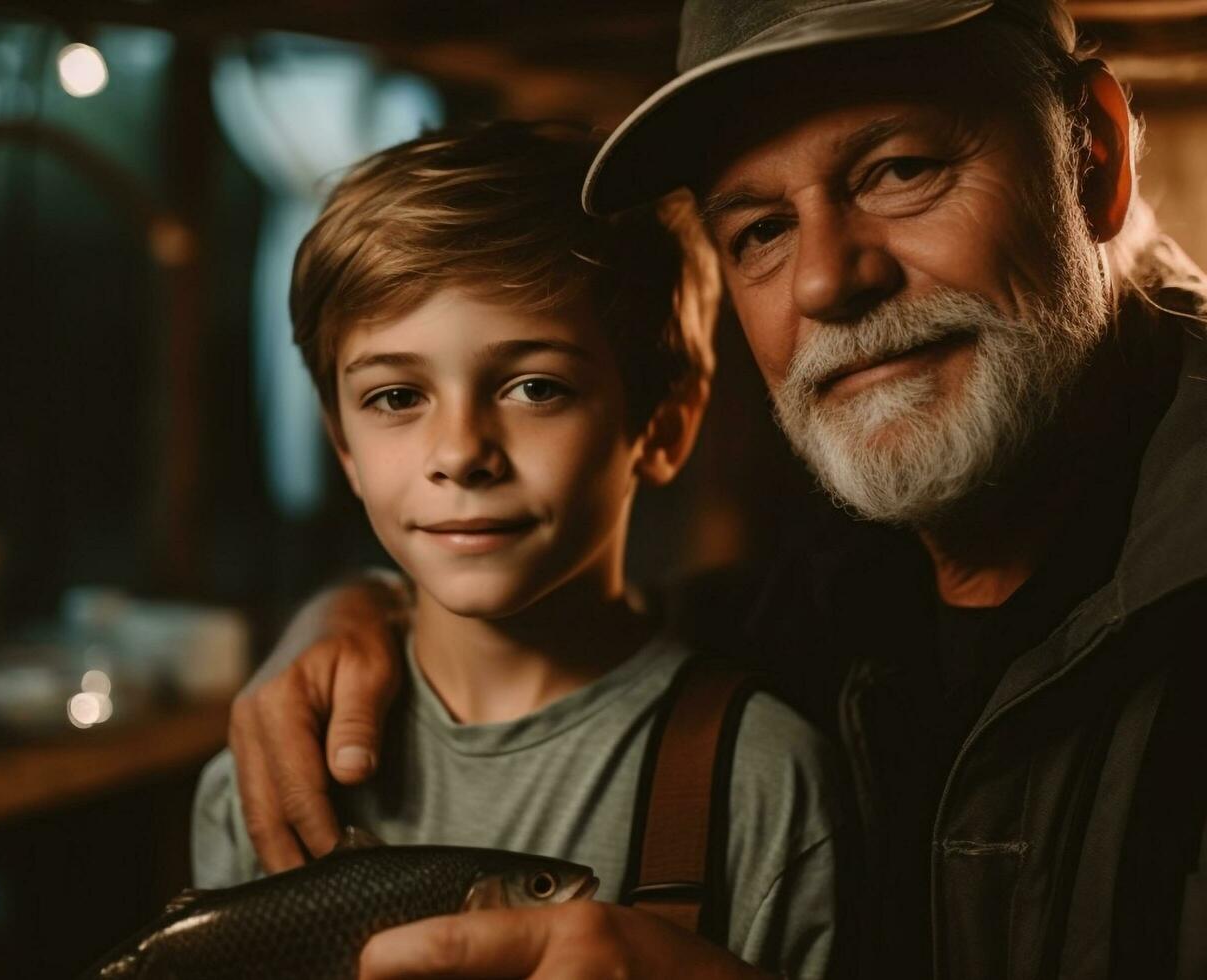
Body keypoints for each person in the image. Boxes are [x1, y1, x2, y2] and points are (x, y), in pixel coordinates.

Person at [228, 2, 1207, 978]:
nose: (826, 279)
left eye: (897, 168)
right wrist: (366, 615)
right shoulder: (798, 616)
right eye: (754, 230)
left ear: (1090, 157)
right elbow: (568, 642)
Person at [191, 121, 848, 978]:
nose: (460, 451)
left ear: (662, 424)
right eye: (394, 396)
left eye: (535, 386)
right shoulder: (270, 779)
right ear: (342, 447)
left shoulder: (760, 780)